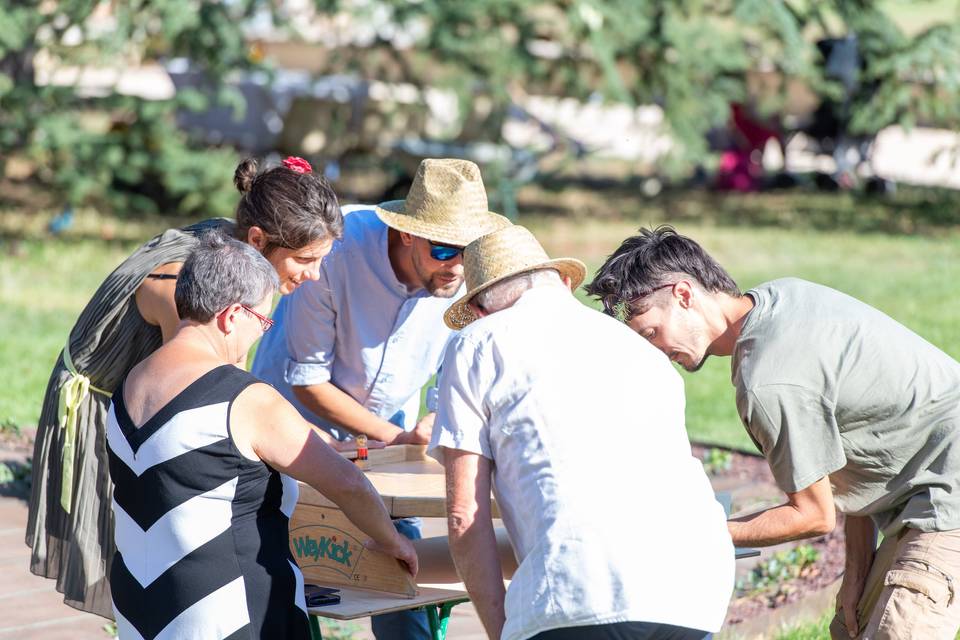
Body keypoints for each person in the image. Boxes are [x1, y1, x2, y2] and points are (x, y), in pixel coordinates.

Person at [586, 225, 960, 640]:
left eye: (651, 334)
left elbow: (814, 515)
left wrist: (692, 537)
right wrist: (856, 575)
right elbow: (849, 458)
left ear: (684, 295)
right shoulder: (778, 298)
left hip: (947, 492)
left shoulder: (766, 380)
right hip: (922, 486)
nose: (655, 353)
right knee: (848, 628)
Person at [27, 155, 346, 618]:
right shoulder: (188, 281)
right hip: (114, 407)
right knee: (146, 569)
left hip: (150, 400)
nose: (314, 274)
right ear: (257, 239)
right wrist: (293, 442)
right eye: (305, 260)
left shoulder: (235, 255)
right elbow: (216, 392)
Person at [429, 225, 735, 640]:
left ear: (481, 311)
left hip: (579, 594)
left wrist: (505, 629)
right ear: (566, 283)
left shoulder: (477, 343)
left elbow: (465, 514)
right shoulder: (642, 348)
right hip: (695, 586)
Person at [107, 231, 416, 639]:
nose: (261, 333)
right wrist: (392, 540)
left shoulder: (128, 386)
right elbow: (346, 482)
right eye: (263, 320)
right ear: (232, 316)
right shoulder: (242, 399)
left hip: (141, 607)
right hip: (229, 612)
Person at [252, 157, 510, 639]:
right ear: (406, 233)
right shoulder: (335, 248)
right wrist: (399, 436)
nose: (456, 266)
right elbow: (308, 379)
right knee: (285, 577)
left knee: (399, 570)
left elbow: (461, 363)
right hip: (295, 423)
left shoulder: (465, 269)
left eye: (467, 251)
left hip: (389, 433)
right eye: (443, 250)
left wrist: (436, 417)